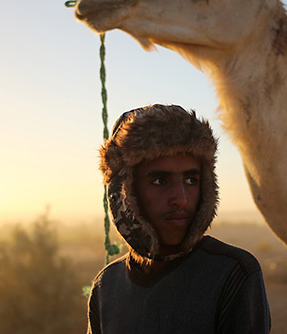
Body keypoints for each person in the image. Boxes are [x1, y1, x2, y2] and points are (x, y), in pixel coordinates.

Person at [86, 104, 271, 334]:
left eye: (191, 180)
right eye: (160, 181)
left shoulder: (232, 274)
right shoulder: (106, 286)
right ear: (124, 191)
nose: (181, 199)